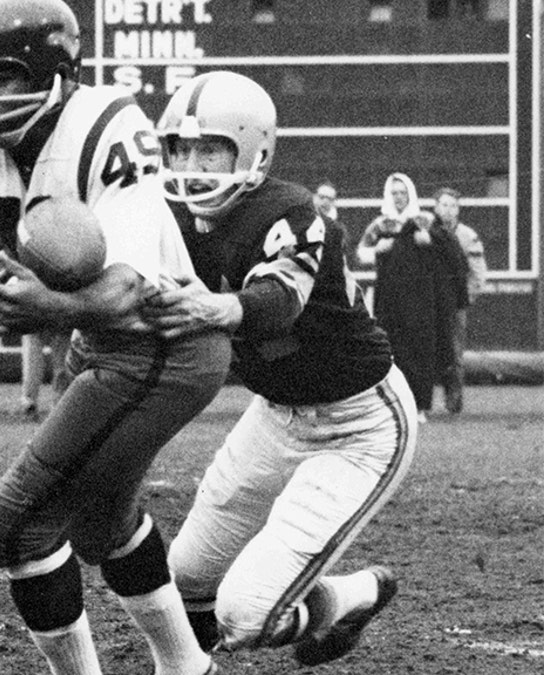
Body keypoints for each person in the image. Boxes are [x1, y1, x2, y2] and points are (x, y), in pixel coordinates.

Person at [0, 2, 232, 673]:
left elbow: (123, 292)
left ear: (60, 73)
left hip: (163, 342)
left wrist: (47, 305)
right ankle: (190, 667)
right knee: (101, 522)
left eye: (7, 76)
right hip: (102, 347)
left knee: (13, 524)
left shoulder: (106, 125)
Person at [140, 70, 419, 667]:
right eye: (181, 149)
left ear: (256, 152)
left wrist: (220, 308)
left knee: (245, 618)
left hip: (359, 425)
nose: (193, 165)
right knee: (183, 580)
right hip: (274, 416)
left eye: (210, 149)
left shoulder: (290, 211)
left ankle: (356, 592)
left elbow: (279, 301)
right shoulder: (167, 217)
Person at [356, 172, 468, 421]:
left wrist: (430, 241)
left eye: (402, 192)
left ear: (410, 194)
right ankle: (394, 408)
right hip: (389, 300)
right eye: (394, 192)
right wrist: (377, 251)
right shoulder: (381, 224)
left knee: (421, 351)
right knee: (392, 350)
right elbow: (360, 252)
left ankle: (419, 407)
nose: (398, 197)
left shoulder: (425, 221)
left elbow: (452, 251)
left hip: (421, 301)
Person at [430, 187, 486, 414]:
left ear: (459, 209)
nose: (448, 210)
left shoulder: (467, 236)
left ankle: (453, 402)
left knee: (454, 354)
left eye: (453, 205)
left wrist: (465, 300)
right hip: (431, 305)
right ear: (435, 207)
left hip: (454, 306)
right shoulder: (426, 231)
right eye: (444, 204)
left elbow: (478, 274)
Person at [19, 329, 71, 421]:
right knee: (60, 360)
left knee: (33, 351)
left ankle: (29, 403)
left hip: (40, 319)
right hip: (60, 320)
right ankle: (59, 403)